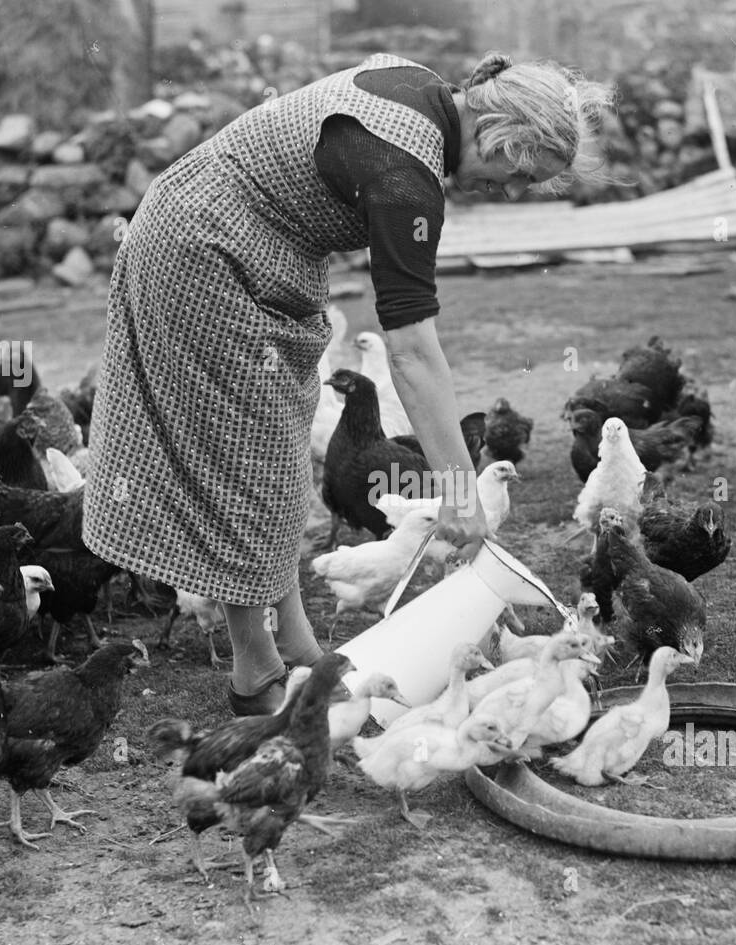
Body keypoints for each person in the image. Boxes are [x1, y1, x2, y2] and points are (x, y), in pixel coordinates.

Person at [83, 50, 614, 714]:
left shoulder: (423, 90)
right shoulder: (405, 178)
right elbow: (413, 352)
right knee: (243, 462)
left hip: (221, 231)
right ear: (505, 134)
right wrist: (457, 488)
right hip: (199, 252)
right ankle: (257, 675)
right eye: (519, 171)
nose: (506, 185)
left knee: (276, 459)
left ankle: (302, 647)